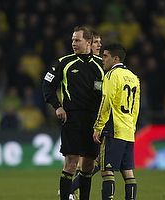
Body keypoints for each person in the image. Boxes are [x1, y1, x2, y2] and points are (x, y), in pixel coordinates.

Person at [42, 26, 104, 200]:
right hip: (72, 118)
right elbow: (47, 85)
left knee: (89, 166)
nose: (74, 44)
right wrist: (57, 106)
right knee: (71, 163)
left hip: (93, 120)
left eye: (77, 40)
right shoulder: (64, 62)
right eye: (72, 40)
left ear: (88, 42)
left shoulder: (100, 65)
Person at [93, 43, 140, 200]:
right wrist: (132, 126)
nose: (102, 59)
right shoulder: (134, 77)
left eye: (105, 56)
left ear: (116, 58)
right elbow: (136, 108)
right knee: (128, 172)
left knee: (106, 170)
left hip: (114, 128)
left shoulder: (112, 75)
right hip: (128, 130)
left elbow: (106, 101)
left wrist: (98, 126)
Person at [70, 29, 102, 199]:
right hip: (90, 119)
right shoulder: (86, 66)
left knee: (92, 162)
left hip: (99, 118)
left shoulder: (102, 67)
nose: (99, 45)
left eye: (100, 42)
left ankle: (72, 188)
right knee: (96, 161)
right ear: (90, 43)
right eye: (96, 42)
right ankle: (70, 188)